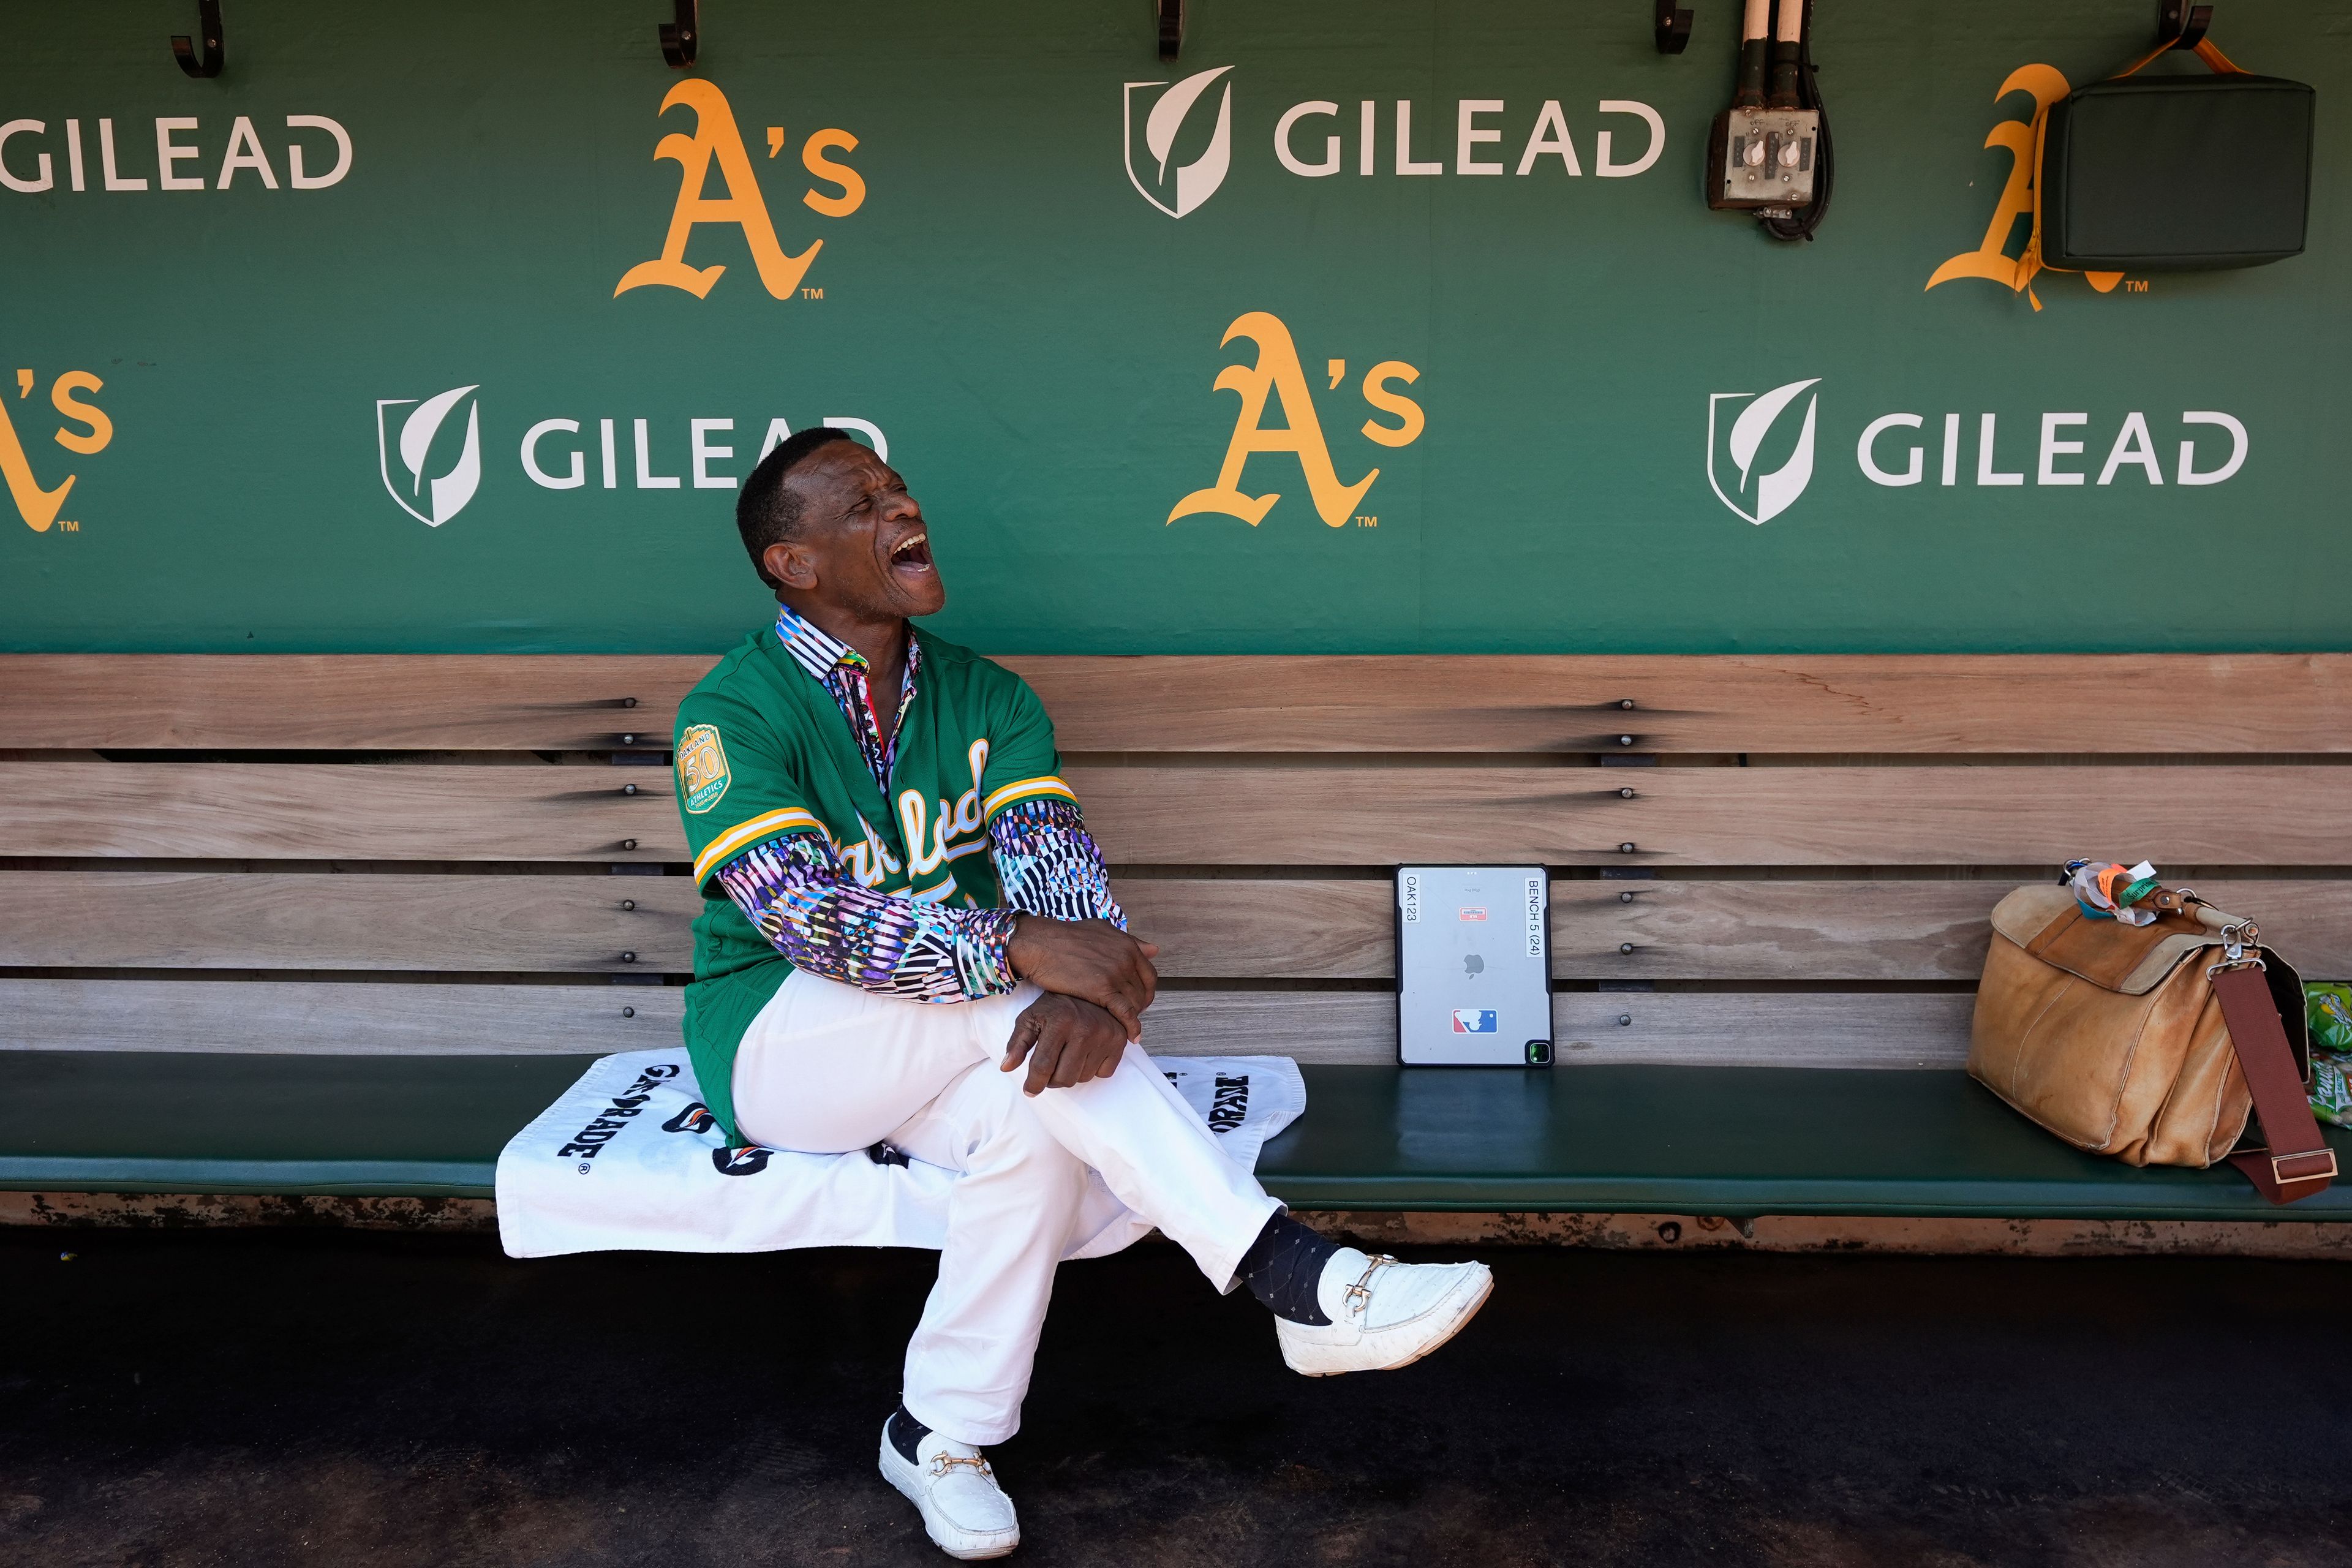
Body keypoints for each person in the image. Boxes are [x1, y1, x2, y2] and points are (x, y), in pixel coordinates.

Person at [671, 428, 1493, 1561]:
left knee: (1035, 1109)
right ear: (793, 564)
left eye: (898, 485)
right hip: (778, 1041)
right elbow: (815, 922)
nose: (900, 504)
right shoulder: (737, 709)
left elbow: (1062, 878)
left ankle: (938, 1433)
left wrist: (1091, 989)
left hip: (947, 1035)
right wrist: (1027, 952)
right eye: (859, 502)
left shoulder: (989, 697)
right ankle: (1292, 1276)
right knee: (1013, 1016)